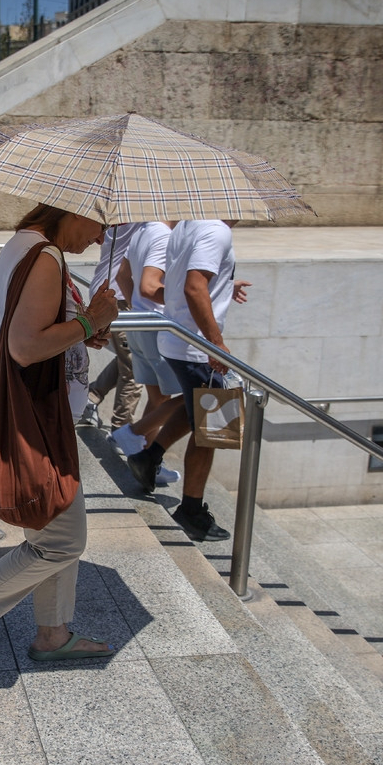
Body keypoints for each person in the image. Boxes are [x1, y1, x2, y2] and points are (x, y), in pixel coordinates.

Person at [0, 204, 120, 662]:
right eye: (101, 225)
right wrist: (91, 320)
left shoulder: (26, 245)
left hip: (35, 413)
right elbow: (26, 346)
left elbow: (33, 329)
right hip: (32, 419)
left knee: (51, 535)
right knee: (64, 541)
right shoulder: (45, 256)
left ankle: (52, 634)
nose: (98, 238)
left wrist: (82, 329)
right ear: (75, 210)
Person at [153, 219, 250, 542]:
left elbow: (188, 280)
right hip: (197, 348)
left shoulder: (187, 225)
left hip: (179, 339)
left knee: (195, 411)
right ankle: (191, 509)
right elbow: (194, 286)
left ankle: (147, 458)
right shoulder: (217, 230)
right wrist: (216, 344)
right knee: (214, 431)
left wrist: (225, 285)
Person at [108, 221, 186, 493]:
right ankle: (132, 434)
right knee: (189, 397)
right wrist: (187, 297)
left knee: (158, 398)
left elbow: (121, 274)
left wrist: (135, 306)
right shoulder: (164, 236)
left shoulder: (143, 230)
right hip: (157, 329)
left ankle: (148, 461)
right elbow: (151, 286)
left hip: (141, 322)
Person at [77, 225, 141, 431]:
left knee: (129, 357)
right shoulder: (140, 219)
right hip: (120, 296)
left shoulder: (117, 217)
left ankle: (92, 396)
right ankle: (121, 429)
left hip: (108, 289)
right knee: (135, 365)